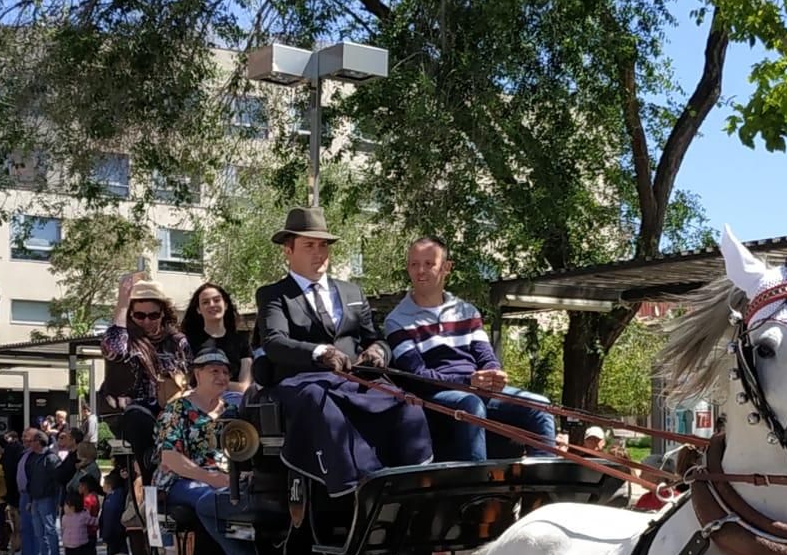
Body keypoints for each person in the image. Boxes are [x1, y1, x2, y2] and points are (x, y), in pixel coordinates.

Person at [253, 206, 430, 497]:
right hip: (304, 381)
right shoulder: (274, 294)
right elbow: (274, 342)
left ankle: (416, 484)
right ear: (288, 249)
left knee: (407, 403)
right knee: (323, 406)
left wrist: (378, 352)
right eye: (309, 245)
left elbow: (376, 338)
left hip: (354, 379)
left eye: (323, 245)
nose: (318, 253)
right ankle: (362, 486)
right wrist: (320, 352)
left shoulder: (351, 293)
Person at [383, 236, 556, 461]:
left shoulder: (467, 311)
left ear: (446, 268)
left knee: (540, 406)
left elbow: (485, 356)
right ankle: (478, 487)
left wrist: (493, 375)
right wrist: (468, 383)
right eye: (414, 264)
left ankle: (543, 485)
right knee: (470, 404)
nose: (420, 271)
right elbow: (418, 376)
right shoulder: (397, 320)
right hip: (437, 394)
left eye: (429, 264)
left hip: (475, 388)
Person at [155, 343, 267, 555]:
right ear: (197, 374)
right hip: (181, 481)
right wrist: (212, 478)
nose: (222, 377)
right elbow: (170, 457)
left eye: (226, 372)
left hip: (228, 478)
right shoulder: (177, 410)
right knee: (209, 499)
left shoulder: (233, 412)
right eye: (214, 371)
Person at [101, 276, 192, 474]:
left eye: (153, 315)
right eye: (139, 316)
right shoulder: (128, 341)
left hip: (173, 411)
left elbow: (190, 379)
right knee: (137, 418)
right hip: (135, 414)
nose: (147, 321)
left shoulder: (177, 341)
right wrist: (123, 304)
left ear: (163, 314)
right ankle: (149, 470)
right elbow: (114, 349)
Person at [182, 282, 252, 394]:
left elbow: (244, 386)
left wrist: (210, 383)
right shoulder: (187, 341)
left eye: (217, 300)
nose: (212, 304)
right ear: (198, 310)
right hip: (199, 403)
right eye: (205, 302)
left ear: (226, 305)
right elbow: (187, 383)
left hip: (234, 402)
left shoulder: (241, 341)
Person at [61, 488, 98, 555]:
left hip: (70, 546)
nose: (64, 508)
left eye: (66, 505)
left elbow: (63, 529)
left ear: (72, 507)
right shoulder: (83, 515)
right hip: (80, 544)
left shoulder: (65, 518)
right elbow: (93, 521)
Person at [99, 467, 129, 555]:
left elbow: (110, 517)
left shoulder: (113, 498)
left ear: (109, 486)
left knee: (114, 554)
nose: (102, 486)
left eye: (104, 484)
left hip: (114, 532)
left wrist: (105, 534)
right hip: (116, 532)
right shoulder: (110, 497)